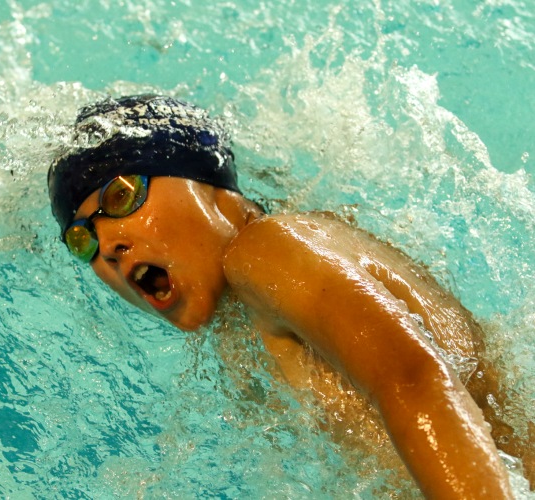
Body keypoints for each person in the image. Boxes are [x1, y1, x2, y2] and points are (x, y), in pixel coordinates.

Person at [48, 94, 530, 497]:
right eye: (82, 239)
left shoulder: (266, 250)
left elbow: (413, 380)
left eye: (121, 197)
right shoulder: (249, 321)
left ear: (207, 183)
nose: (106, 246)